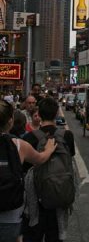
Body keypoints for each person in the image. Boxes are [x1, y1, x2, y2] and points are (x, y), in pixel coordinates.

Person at [0, 100, 56, 242]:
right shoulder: (19, 145)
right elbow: (40, 159)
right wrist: (49, 149)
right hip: (10, 215)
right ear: (10, 122)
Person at [22, 97, 75, 242]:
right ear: (57, 113)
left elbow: (25, 167)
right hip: (59, 192)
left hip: (36, 196)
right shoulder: (67, 136)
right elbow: (70, 159)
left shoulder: (29, 138)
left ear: (38, 113)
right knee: (55, 235)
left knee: (33, 234)